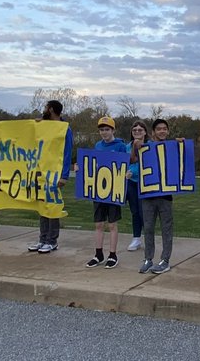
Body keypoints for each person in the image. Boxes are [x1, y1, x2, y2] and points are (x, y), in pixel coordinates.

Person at [29, 99, 74, 253]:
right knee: (42, 205)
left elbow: (67, 152)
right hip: (41, 172)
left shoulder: (64, 128)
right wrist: (37, 125)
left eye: (46, 108)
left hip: (55, 172)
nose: (44, 110)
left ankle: (52, 240)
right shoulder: (44, 125)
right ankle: (42, 239)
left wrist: (64, 175)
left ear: (51, 109)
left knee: (52, 206)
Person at [84, 117, 128, 268]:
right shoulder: (98, 145)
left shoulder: (121, 146)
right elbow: (93, 165)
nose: (104, 133)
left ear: (113, 130)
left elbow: (125, 164)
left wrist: (126, 174)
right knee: (98, 224)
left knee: (112, 224)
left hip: (113, 190)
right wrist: (80, 168)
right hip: (99, 190)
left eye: (107, 129)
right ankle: (98, 254)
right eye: (101, 130)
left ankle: (113, 254)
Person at [138, 118, 176, 274]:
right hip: (148, 194)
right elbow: (134, 161)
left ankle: (165, 260)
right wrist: (135, 148)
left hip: (165, 195)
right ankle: (148, 259)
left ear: (167, 131)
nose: (162, 131)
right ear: (153, 132)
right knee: (148, 228)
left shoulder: (172, 147)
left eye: (164, 129)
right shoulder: (145, 148)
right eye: (159, 129)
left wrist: (181, 144)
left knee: (166, 228)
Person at [125, 119, 148, 252]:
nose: (137, 132)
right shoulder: (127, 147)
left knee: (145, 212)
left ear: (145, 132)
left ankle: (148, 237)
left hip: (146, 183)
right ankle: (136, 238)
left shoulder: (150, 145)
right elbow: (122, 162)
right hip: (131, 183)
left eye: (140, 130)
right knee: (135, 211)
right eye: (134, 130)